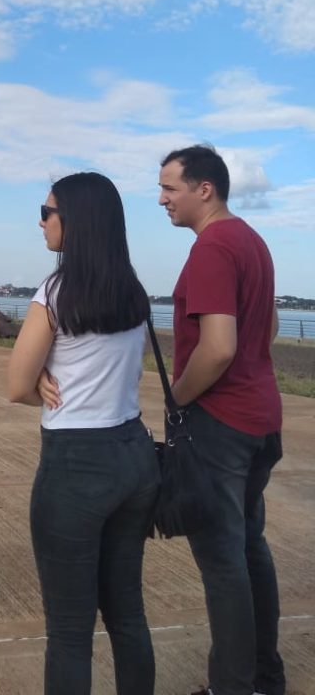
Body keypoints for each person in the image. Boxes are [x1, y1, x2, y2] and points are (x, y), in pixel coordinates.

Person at [7, 172, 160, 695]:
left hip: (76, 464)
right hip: (134, 455)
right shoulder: (134, 293)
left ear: (76, 221)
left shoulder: (55, 291)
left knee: (70, 632)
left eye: (47, 212)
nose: (41, 222)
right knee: (128, 615)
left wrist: (41, 387)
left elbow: (15, 385)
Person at [158, 144, 285, 695]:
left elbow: (217, 349)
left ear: (203, 189)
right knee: (250, 548)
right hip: (261, 420)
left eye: (169, 188)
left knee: (223, 564)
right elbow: (271, 327)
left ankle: (232, 687)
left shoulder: (211, 249)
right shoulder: (253, 242)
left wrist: (177, 398)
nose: (161, 199)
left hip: (220, 427)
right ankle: (264, 677)